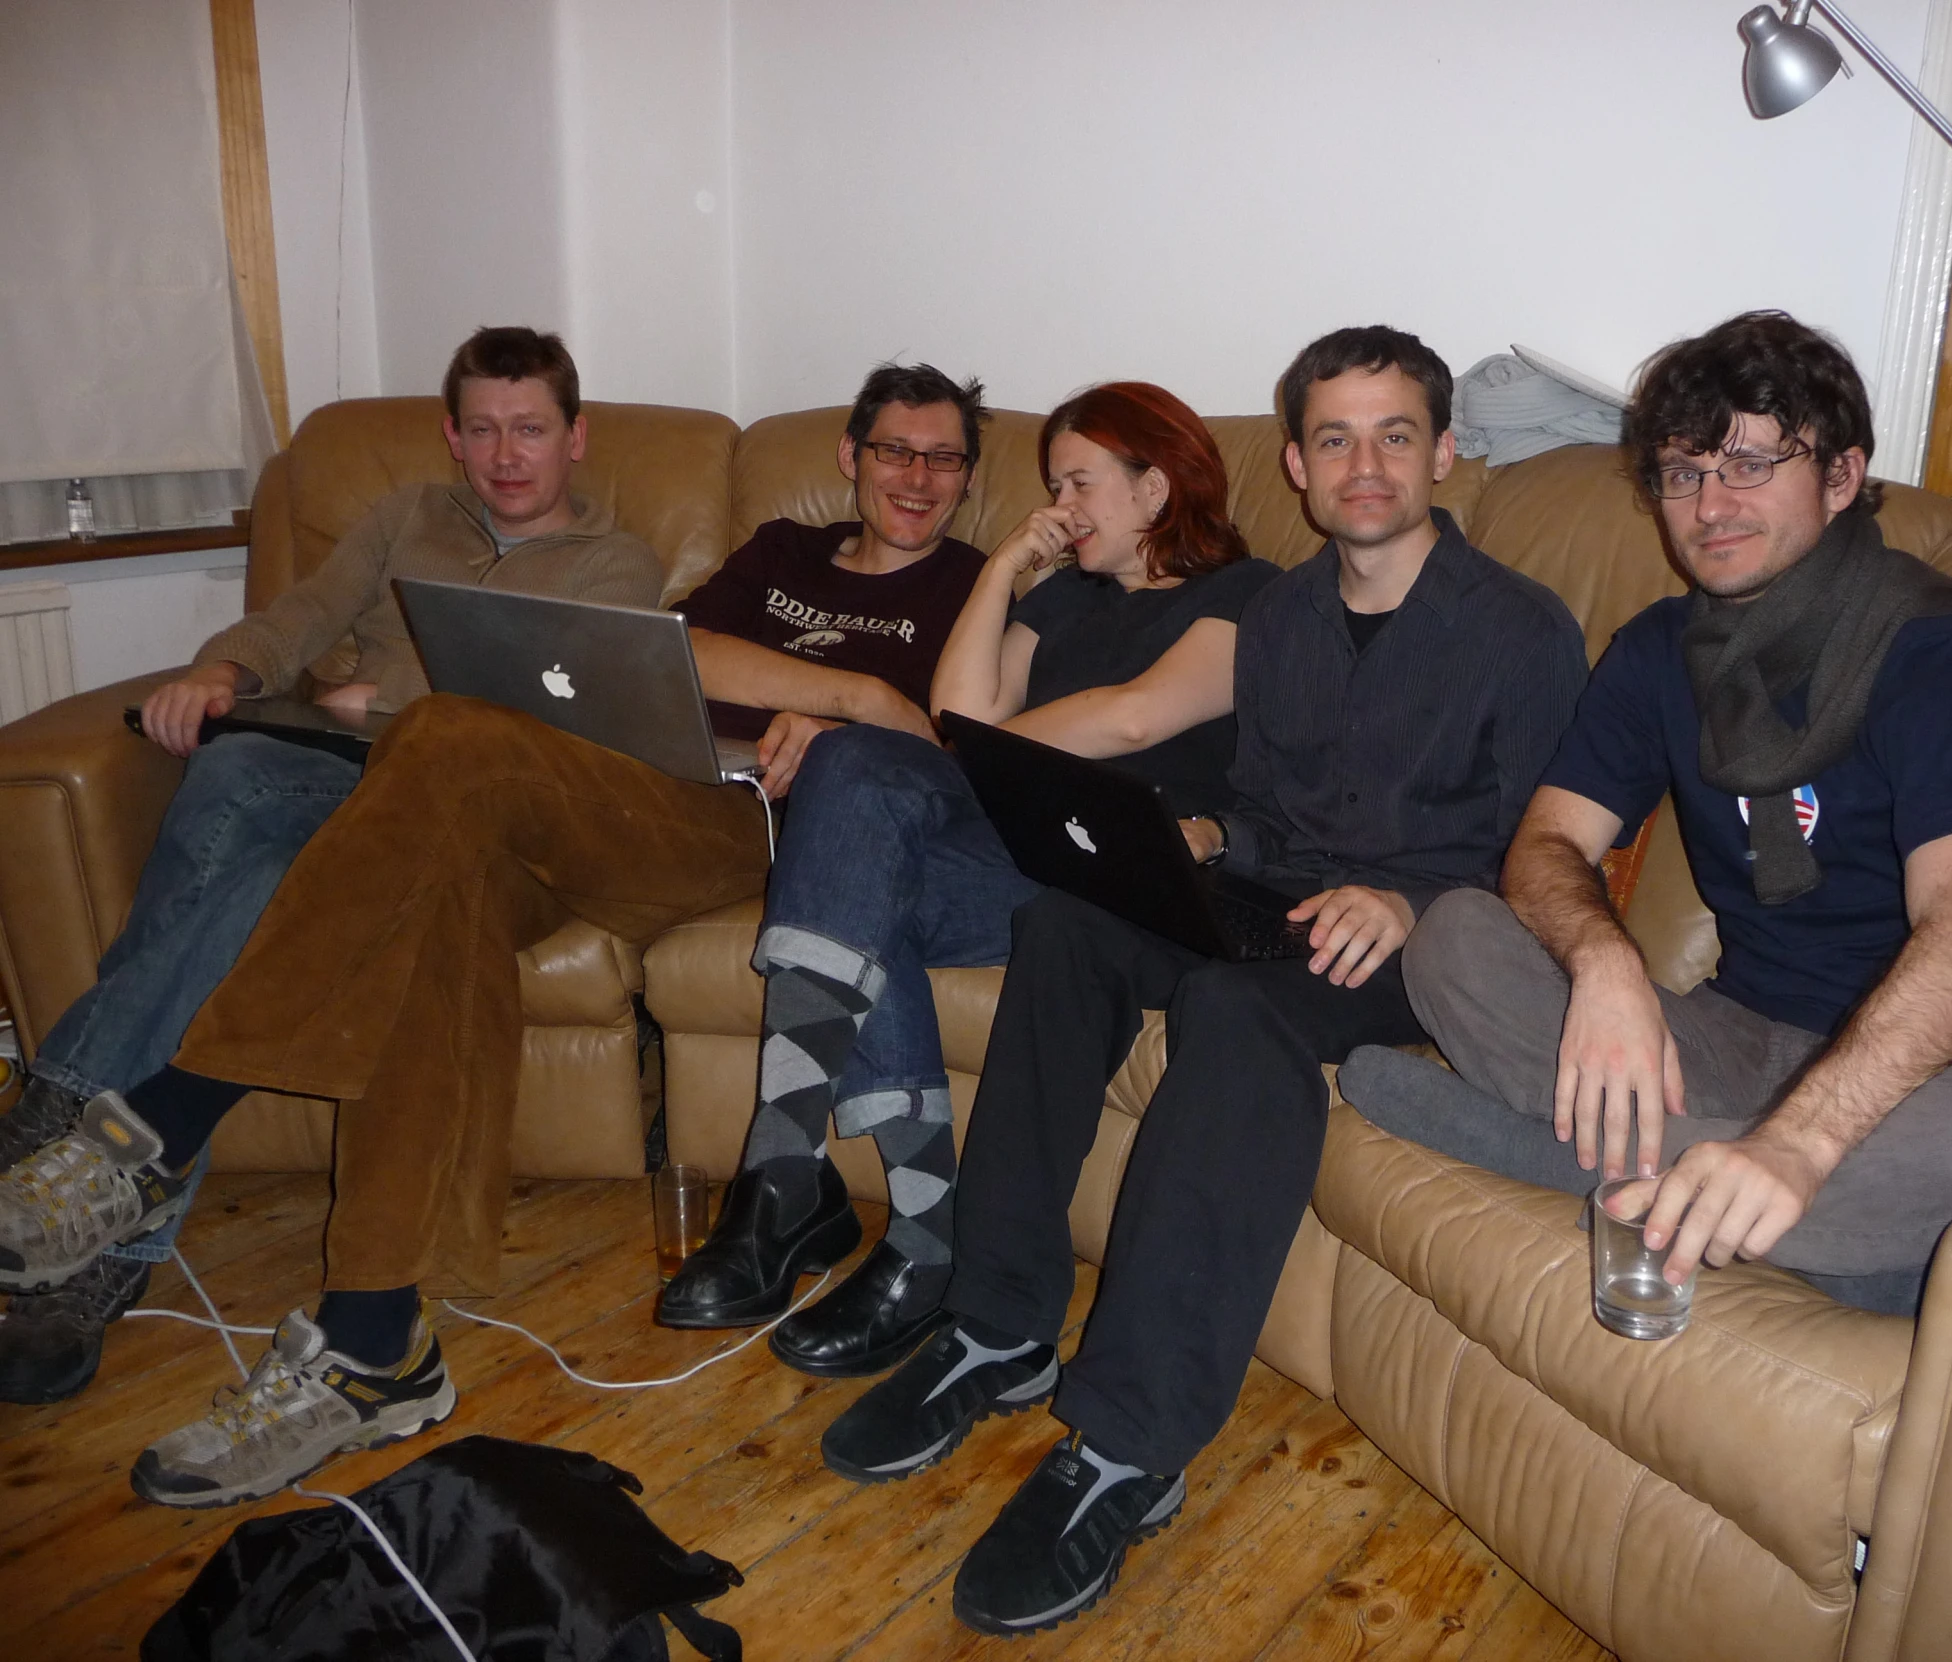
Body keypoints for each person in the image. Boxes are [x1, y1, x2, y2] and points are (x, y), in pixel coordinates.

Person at [0, 360, 996, 1503]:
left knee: (449, 733)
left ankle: (167, 1115)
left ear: (968, 479)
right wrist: (839, 687)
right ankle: (373, 1343)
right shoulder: (778, 549)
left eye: (944, 458)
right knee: (436, 903)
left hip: (736, 825)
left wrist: (860, 714)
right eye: (893, 452)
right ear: (850, 459)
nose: (916, 478)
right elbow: (678, 653)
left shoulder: (969, 588)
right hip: (606, 786)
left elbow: (950, 749)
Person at [817, 327, 1588, 1637]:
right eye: (1334, 437)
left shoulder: (1521, 630)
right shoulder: (1278, 613)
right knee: (1067, 923)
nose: (1364, 463)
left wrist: (1404, 902)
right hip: (1269, 895)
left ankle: (1124, 1443)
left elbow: (1543, 856)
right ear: (1296, 461)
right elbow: (1261, 810)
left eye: (1395, 434)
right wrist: (1203, 842)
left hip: (1425, 939)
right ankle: (996, 1319)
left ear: (1444, 451)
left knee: (1235, 1008)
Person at [1340, 309, 1952, 1316]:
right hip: (1732, 1040)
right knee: (1452, 937)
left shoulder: (1942, 656)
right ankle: (1800, 1230)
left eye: (1747, 466)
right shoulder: (1656, 650)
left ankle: (1581, 1165)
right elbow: (1547, 843)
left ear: (1842, 477)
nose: (1708, 505)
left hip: (1924, 1079)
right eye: (1681, 474)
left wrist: (1799, 1144)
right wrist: (1604, 965)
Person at [0, 325, 663, 1406]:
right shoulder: (406, 516)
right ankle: (94, 1223)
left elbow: (556, 726)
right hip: (330, 776)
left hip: (447, 805)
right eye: (484, 429)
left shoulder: (615, 564)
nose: (506, 454)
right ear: (453, 436)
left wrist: (389, 704)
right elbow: (304, 615)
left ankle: (59, 1130)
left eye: (531, 429)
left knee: (249, 811)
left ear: (575, 437)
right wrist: (225, 670)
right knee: (242, 783)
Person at [656, 383, 1278, 1387]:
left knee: (857, 796)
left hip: (1118, 878)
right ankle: (911, 1227)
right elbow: (958, 706)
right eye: (1051, 485)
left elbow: (1129, 720)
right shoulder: (1064, 592)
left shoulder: (1244, 595)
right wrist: (1004, 567)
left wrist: (970, 754)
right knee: (851, 831)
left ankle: (784, 1186)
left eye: (1077, 483)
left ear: (1154, 488)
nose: (1060, 506)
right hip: (1014, 844)